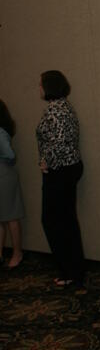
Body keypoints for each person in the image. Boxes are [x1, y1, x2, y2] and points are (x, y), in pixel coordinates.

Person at [36, 70, 84, 287]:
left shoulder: (55, 109)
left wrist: (46, 161)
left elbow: (58, 142)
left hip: (60, 171)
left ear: (49, 87)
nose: (39, 88)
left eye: (41, 84)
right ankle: (73, 269)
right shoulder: (65, 106)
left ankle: (69, 271)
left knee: (54, 222)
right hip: (68, 169)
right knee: (66, 221)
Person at [0, 99, 24, 268]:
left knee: (11, 217)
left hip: (4, 176)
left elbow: (10, 155)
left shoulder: (0, 132)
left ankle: (17, 252)